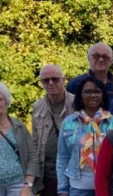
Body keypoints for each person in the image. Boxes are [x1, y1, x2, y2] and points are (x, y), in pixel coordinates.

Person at [56, 76, 113, 196]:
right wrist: (62, 189)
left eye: (97, 91)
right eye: (87, 91)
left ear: (103, 95)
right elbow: (62, 157)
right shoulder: (69, 122)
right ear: (80, 95)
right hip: (77, 188)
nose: (92, 95)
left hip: (108, 187)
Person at [32, 65, 75, 196]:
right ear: (41, 83)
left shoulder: (77, 103)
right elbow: (34, 142)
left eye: (55, 79)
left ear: (64, 80)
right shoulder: (37, 106)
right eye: (46, 80)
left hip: (72, 171)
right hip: (47, 173)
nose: (51, 83)